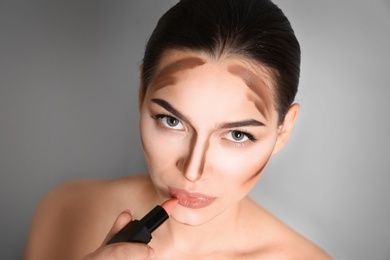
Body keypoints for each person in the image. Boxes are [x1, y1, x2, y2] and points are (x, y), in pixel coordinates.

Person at [24, 0, 332, 259]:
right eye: (172, 121)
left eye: (238, 135)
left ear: (283, 130)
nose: (193, 171)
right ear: (141, 92)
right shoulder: (66, 210)